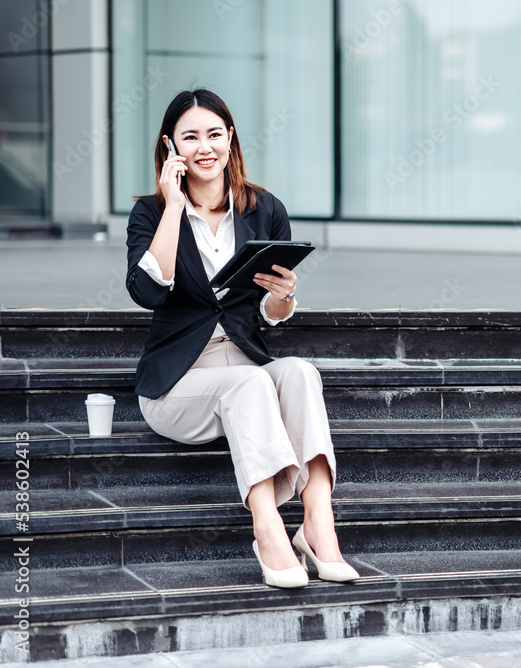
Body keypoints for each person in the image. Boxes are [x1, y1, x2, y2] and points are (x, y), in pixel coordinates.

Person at [125, 88, 358, 588]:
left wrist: (285, 295)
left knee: (299, 371)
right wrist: (172, 205)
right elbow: (147, 291)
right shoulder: (149, 213)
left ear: (230, 138)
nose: (204, 146)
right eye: (190, 137)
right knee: (250, 385)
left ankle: (319, 522)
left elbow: (270, 315)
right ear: (171, 147)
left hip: (244, 363)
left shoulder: (263, 208)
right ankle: (268, 527)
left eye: (214, 133)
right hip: (177, 384)